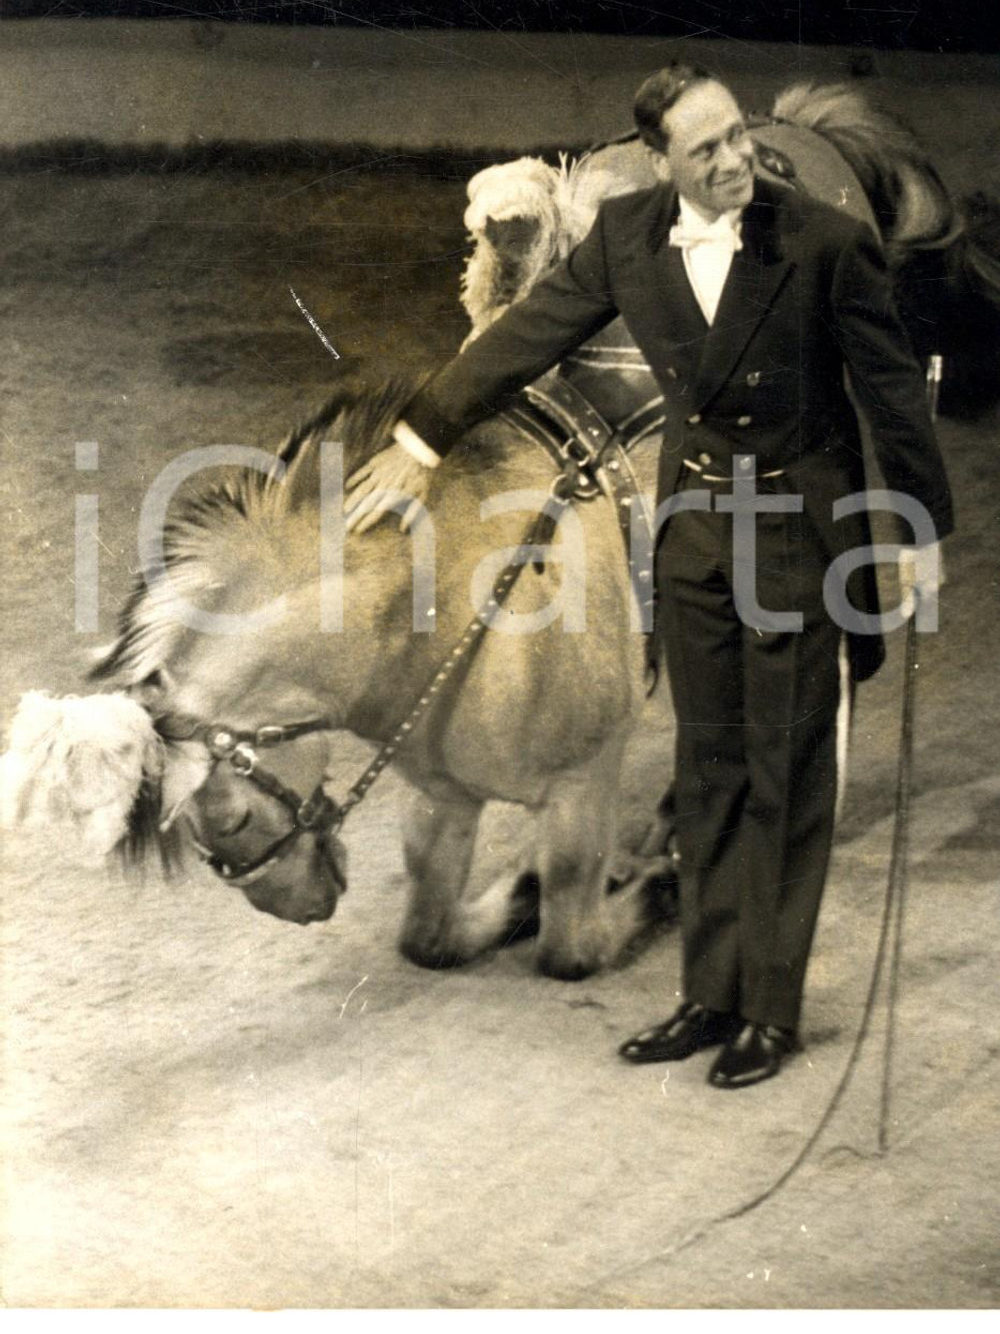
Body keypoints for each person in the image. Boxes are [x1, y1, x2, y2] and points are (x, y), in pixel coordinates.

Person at [344, 63, 953, 1089]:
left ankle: (768, 1008)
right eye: (705, 149)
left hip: (800, 535)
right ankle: (704, 995)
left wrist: (917, 530)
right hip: (693, 536)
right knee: (706, 772)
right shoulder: (627, 241)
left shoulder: (825, 241)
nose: (733, 162)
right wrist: (419, 436)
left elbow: (890, 397)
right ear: (662, 164)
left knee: (781, 776)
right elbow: (521, 342)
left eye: (735, 139)